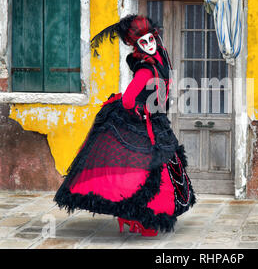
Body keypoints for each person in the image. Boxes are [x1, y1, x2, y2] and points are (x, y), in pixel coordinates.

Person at [54, 15, 196, 236]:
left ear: (155, 38)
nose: (149, 46)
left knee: (158, 167)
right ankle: (140, 217)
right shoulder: (145, 69)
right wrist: (143, 112)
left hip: (157, 120)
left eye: (151, 40)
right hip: (144, 121)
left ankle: (137, 217)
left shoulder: (160, 56)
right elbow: (129, 99)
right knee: (143, 170)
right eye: (144, 43)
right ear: (136, 45)